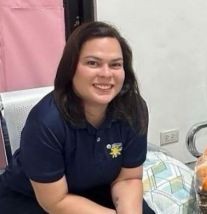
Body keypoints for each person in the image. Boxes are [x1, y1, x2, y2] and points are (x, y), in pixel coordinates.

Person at [0, 21, 155, 214]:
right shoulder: (46, 122)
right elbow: (55, 201)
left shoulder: (134, 109)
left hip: (97, 190)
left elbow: (128, 178)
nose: (106, 74)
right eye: (92, 63)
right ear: (71, 68)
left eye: (115, 65)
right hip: (33, 199)